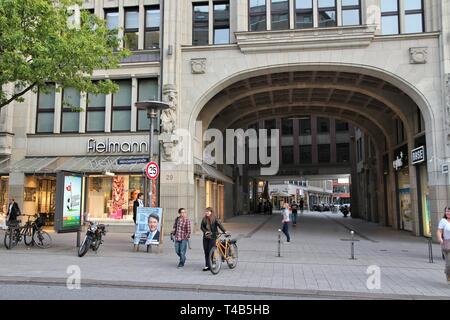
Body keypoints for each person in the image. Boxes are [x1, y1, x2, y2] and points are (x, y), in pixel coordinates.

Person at [200, 207, 227, 271]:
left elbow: (220, 225)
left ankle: (213, 263)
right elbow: (202, 227)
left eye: (208, 211)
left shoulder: (215, 219)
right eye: (206, 211)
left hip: (213, 237)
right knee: (206, 251)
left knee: (211, 250)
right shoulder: (204, 219)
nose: (207, 212)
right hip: (206, 237)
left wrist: (224, 231)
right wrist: (205, 231)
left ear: (211, 212)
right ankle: (207, 265)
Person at [437, 206, 450, 283]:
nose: (448, 213)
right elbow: (439, 231)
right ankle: (448, 274)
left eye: (449, 211)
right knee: (449, 264)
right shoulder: (443, 221)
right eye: (446, 211)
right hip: (447, 244)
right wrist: (440, 238)